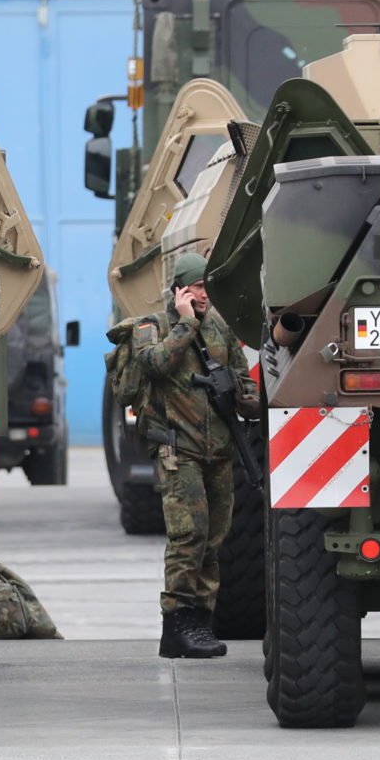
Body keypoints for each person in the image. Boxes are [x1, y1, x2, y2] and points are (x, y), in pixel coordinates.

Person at [132, 251, 246, 660]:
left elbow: (248, 385)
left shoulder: (222, 327)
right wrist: (186, 323)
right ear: (180, 289)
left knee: (213, 540)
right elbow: (153, 364)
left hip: (219, 452)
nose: (203, 295)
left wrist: (238, 393)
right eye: (196, 287)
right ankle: (177, 624)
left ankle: (201, 621)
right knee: (188, 537)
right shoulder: (154, 326)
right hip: (178, 452)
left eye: (206, 288)